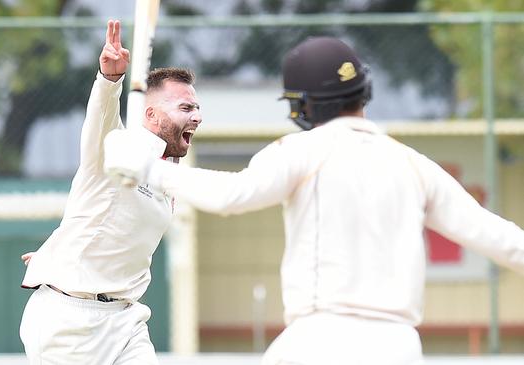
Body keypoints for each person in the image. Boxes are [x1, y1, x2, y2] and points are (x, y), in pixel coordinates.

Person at [103, 37, 524, 364]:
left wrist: (149, 170)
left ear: (304, 104)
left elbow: (233, 195)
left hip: (321, 341)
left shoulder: (301, 150)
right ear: (364, 90)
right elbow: (501, 239)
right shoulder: (414, 165)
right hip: (400, 345)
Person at [19, 19, 201, 365]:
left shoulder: (167, 169)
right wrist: (110, 80)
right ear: (150, 113)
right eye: (186, 108)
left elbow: (116, 226)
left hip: (126, 320)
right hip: (68, 325)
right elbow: (101, 118)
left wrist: (59, 251)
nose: (197, 117)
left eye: (197, 108)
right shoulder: (113, 149)